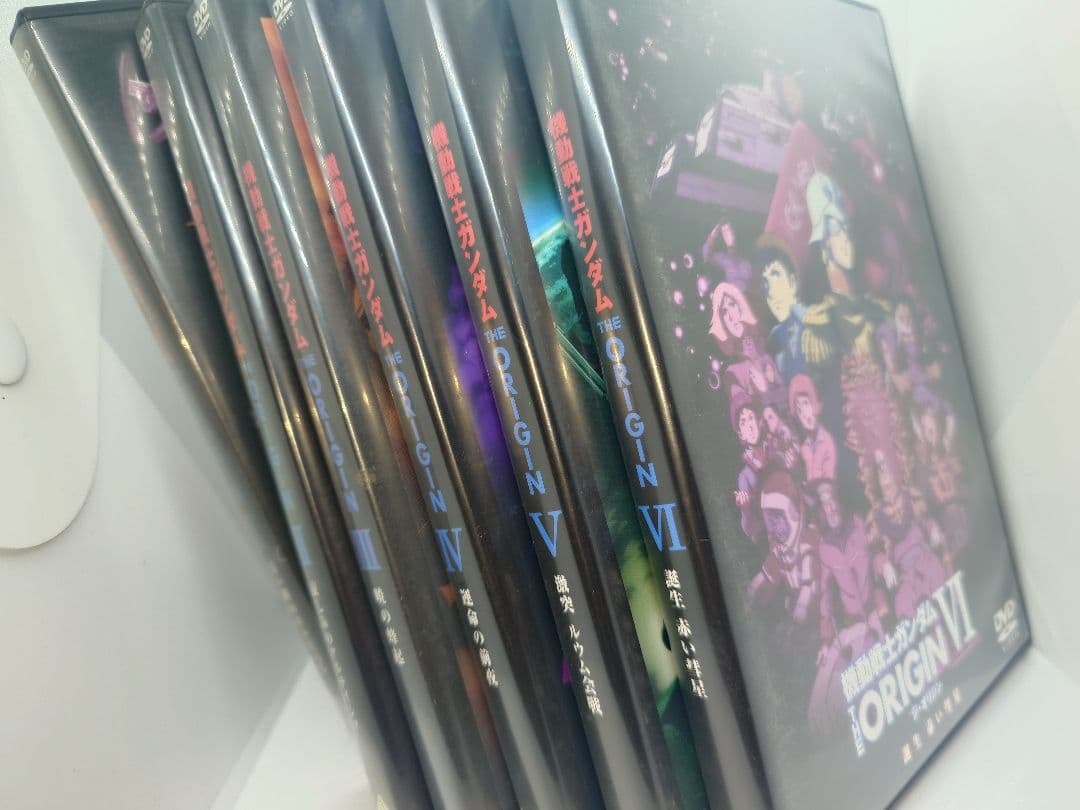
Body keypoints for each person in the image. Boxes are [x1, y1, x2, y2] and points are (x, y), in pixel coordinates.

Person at [747, 468, 820, 626]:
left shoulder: (807, 540)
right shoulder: (779, 549)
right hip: (796, 610)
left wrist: (801, 609)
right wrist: (749, 593)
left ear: (793, 513)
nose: (774, 525)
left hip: (817, 613)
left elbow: (808, 586)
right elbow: (765, 575)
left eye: (777, 516)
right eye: (769, 518)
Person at [756, 245, 807, 382]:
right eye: (765, 282)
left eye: (776, 275)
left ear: (793, 283)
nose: (770, 292)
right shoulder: (775, 337)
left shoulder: (816, 323)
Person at [789, 374, 837, 482]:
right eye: (799, 410)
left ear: (816, 404)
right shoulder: (804, 447)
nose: (804, 414)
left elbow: (828, 483)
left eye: (806, 403)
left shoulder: (826, 441)